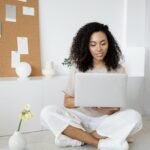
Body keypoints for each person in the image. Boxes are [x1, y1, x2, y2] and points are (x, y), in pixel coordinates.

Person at [40, 22, 142, 150]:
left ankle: (79, 138)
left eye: (103, 43)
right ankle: (100, 142)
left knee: (135, 117)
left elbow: (115, 109)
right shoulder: (78, 68)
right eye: (93, 44)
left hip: (104, 120)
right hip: (79, 118)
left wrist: (100, 108)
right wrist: (86, 102)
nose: (99, 49)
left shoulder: (118, 69)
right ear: (86, 46)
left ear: (109, 44)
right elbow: (67, 102)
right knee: (47, 112)